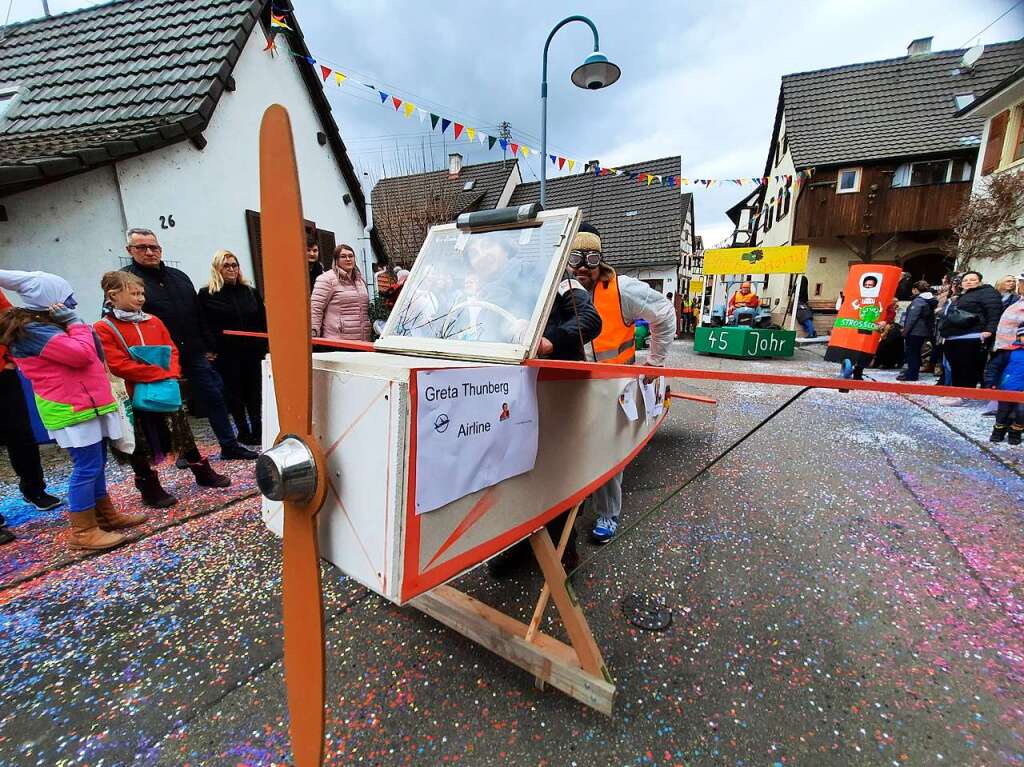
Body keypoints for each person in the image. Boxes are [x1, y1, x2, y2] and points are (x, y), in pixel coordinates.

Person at [0, 270, 138, 551]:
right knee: (86, 467)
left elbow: (93, 352)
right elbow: (81, 355)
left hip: (89, 404)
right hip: (71, 408)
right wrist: (75, 324)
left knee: (96, 463)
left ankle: (105, 515)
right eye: (66, 297)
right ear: (51, 300)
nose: (72, 302)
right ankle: (84, 530)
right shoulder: (33, 331)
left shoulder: (54, 324)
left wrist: (74, 325)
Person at [486, 252, 601, 576]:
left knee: (558, 472)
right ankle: (518, 542)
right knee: (514, 469)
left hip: (558, 391)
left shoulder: (564, 284)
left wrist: (550, 342)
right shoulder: (500, 288)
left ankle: (565, 548)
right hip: (516, 390)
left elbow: (589, 320)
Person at [569, 223, 675, 543]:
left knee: (609, 455)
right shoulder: (557, 288)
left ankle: (607, 514)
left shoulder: (622, 289)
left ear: (601, 259)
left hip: (614, 388)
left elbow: (664, 314)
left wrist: (655, 362)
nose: (584, 266)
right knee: (573, 449)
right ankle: (576, 496)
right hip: (571, 388)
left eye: (592, 257)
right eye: (576, 257)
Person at [96, 272, 231, 507]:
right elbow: (116, 363)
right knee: (138, 441)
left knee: (181, 431)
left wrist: (172, 371)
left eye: (141, 293)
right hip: (131, 393)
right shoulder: (104, 328)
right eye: (134, 293)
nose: (140, 298)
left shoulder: (153, 321)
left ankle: (201, 470)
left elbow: (171, 348)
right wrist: (159, 373)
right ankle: (148, 485)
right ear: (113, 295)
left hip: (163, 387)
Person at [122, 228, 256, 460]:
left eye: (153, 247)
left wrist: (208, 345)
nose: (149, 252)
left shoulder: (178, 276)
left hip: (193, 350)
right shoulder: (126, 280)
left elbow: (197, 313)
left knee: (214, 395)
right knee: (171, 405)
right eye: (142, 247)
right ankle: (183, 451)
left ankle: (229, 445)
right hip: (157, 355)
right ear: (130, 250)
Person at [0, 289, 62, 545]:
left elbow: (8, 318)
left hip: (3, 372)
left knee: (21, 434)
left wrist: (10, 357)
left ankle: (34, 489)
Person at [198, 250, 267, 446]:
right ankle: (243, 430)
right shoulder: (207, 294)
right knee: (234, 394)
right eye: (226, 265)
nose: (231, 269)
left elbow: (262, 320)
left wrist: (265, 345)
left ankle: (258, 428)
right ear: (217, 269)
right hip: (227, 352)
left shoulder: (250, 292)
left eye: (234, 265)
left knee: (255, 392)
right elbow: (203, 323)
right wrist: (209, 348)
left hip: (253, 351)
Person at [939, 270, 1003, 403]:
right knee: (956, 366)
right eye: (966, 280)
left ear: (980, 281)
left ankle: (964, 394)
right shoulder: (962, 295)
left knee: (967, 367)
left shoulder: (987, 293)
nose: (969, 282)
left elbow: (994, 312)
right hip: (954, 336)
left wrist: (989, 330)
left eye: (972, 279)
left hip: (972, 335)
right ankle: (957, 392)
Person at [311, 244, 371, 342]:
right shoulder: (327, 279)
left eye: (351, 256)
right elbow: (316, 309)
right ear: (336, 260)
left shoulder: (360, 281)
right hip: (338, 341)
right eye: (343, 256)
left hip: (362, 341)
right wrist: (314, 336)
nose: (348, 259)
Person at [984, 325, 1024, 444]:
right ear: (1019, 337)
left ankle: (1015, 432)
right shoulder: (1008, 352)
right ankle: (998, 431)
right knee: (1003, 411)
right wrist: (991, 382)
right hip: (1007, 388)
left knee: (1022, 412)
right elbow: (994, 367)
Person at [898, 280, 936, 381]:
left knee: (912, 353)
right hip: (923, 330)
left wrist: (905, 331)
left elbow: (912, 318)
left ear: (915, 290)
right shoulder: (930, 299)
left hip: (915, 331)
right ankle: (912, 372)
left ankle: (912, 374)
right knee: (916, 352)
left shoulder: (919, 301)